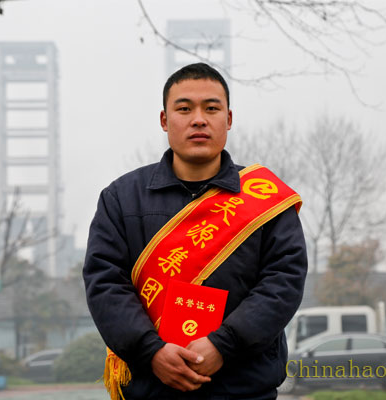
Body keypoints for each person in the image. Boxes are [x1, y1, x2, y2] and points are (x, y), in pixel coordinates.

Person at [83, 63, 308, 400]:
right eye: (185, 109)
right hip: (151, 388)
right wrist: (151, 351)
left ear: (228, 119)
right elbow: (105, 283)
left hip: (244, 388)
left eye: (211, 108)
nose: (199, 119)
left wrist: (224, 344)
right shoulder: (122, 198)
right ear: (164, 120)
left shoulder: (265, 199)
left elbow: (283, 281)